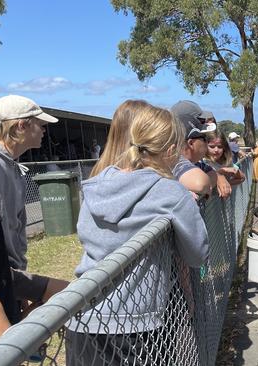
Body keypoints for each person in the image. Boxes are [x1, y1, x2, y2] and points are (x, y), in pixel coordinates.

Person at [66, 103, 210, 365]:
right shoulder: (170, 191)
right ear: (170, 151)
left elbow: (86, 235)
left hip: (84, 317)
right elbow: (197, 254)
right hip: (136, 325)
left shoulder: (96, 183)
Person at [0, 95, 69, 324]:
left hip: (9, 275)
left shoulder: (11, 164)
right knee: (68, 293)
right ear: (21, 125)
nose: (45, 131)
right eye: (40, 125)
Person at [170, 100, 231, 198]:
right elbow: (200, 184)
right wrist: (205, 184)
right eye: (204, 138)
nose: (206, 143)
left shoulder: (195, 162)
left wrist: (215, 178)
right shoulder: (172, 160)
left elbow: (210, 172)